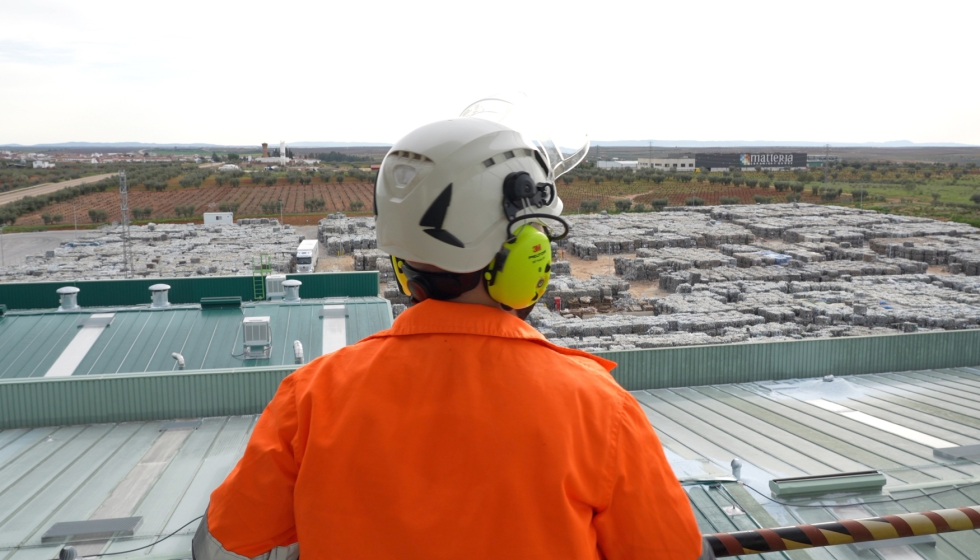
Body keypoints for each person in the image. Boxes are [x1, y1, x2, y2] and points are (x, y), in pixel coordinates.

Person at [194, 114, 708, 560]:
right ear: (531, 255)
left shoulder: (312, 395)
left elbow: (229, 537)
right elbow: (671, 551)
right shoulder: (598, 410)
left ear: (401, 262)